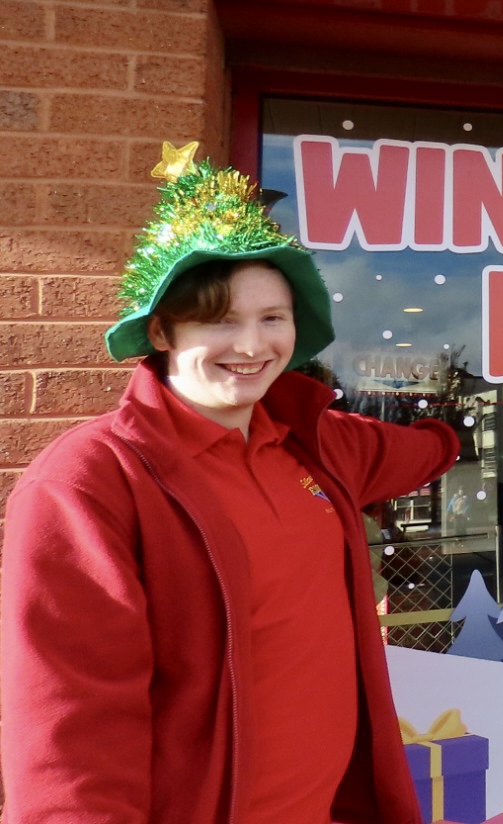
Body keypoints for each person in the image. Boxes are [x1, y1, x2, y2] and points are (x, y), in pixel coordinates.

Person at [1, 153, 460, 824]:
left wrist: (455, 439)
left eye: (272, 318)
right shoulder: (89, 484)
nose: (251, 345)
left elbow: (419, 451)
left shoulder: (318, 443)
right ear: (161, 331)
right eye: (220, 320)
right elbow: (70, 733)